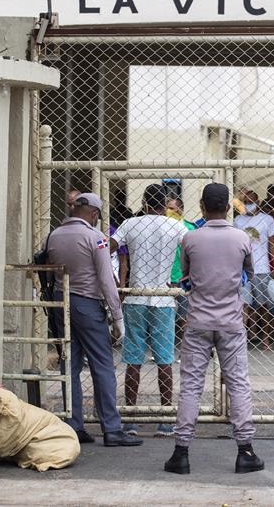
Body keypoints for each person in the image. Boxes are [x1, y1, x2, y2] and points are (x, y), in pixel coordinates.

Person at [163, 183, 264, 475]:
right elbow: (248, 274)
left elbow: (186, 277)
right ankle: (245, 451)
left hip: (198, 321)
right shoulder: (241, 238)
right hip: (231, 322)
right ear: (228, 208)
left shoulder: (190, 238)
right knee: (238, 383)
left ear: (202, 207)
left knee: (191, 386)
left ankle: (181, 452)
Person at [46, 193, 142, 447]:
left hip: (60, 302)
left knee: (70, 365)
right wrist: (117, 315)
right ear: (94, 213)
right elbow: (106, 278)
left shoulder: (54, 235)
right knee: (102, 365)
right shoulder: (95, 238)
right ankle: (111, 428)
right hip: (88, 304)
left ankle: (74, 425)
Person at [111, 184, 188, 438]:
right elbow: (191, 248)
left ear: (144, 203)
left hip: (136, 296)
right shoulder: (175, 226)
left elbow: (110, 246)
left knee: (133, 358)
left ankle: (131, 418)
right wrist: (185, 275)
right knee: (164, 358)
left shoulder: (131, 224)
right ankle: (165, 418)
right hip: (163, 297)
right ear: (164, 205)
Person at [233, 190, 274, 349]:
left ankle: (266, 338)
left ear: (258, 202)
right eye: (246, 202)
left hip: (261, 269)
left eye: (251, 202)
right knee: (243, 305)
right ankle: (241, 339)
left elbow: (272, 245)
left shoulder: (267, 220)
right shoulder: (237, 221)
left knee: (263, 305)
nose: (249, 205)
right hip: (242, 270)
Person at [167, 197, 197, 342]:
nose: (168, 211)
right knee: (166, 315)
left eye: (171, 208)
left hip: (184, 276)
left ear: (180, 210)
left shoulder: (190, 228)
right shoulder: (163, 227)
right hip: (167, 277)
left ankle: (187, 345)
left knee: (185, 316)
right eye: (167, 208)